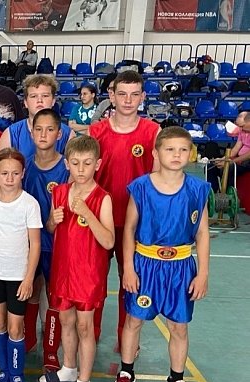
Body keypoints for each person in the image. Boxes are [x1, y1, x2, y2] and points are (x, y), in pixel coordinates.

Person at [108, 126, 210, 382]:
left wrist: (203, 273)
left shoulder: (197, 189)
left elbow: (202, 233)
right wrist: (129, 267)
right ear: (156, 153)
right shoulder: (141, 187)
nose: (177, 155)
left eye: (183, 150)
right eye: (170, 149)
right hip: (145, 264)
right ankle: (126, 372)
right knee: (134, 321)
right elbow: (128, 230)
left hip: (181, 267)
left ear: (190, 154)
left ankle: (176, 380)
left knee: (179, 326)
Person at [37, 135, 115, 382]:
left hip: (88, 273)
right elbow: (50, 227)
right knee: (65, 321)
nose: (81, 169)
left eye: (87, 163)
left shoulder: (103, 198)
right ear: (67, 164)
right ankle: (68, 369)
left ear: (98, 164)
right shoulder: (59, 192)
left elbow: (108, 241)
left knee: (84, 327)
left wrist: (87, 214)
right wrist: (52, 221)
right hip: (63, 269)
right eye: (76, 163)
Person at [88, 70, 160, 349]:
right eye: (122, 94)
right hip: (100, 220)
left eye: (134, 95)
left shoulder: (152, 132)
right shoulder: (96, 132)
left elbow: (158, 181)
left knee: (130, 282)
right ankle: (90, 334)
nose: (128, 100)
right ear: (111, 96)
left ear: (143, 97)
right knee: (94, 281)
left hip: (136, 223)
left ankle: (126, 339)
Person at [0, 148, 41, 382]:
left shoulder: (29, 204)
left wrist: (29, 278)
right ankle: (4, 371)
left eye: (15, 173)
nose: (9, 178)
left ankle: (17, 373)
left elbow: (35, 244)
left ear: (23, 174)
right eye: (4, 173)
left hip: (18, 276)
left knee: (15, 327)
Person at [22, 109, 70, 372]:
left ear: (59, 134)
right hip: (29, 243)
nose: (43, 135)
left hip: (57, 244)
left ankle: (51, 350)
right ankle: (28, 339)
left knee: (54, 295)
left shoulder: (67, 168)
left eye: (50, 129)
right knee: (31, 288)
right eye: (38, 129)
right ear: (31, 133)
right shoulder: (24, 167)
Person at [0, 74, 74, 159]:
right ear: (25, 103)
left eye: (45, 96)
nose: (39, 100)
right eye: (33, 96)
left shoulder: (68, 134)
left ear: (53, 101)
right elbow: (0, 166)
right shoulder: (10, 134)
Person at [206, 111, 250, 192]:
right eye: (239, 126)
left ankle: (227, 194)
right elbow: (236, 149)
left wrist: (231, 162)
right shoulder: (242, 131)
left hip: (247, 161)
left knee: (230, 168)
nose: (240, 129)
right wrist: (223, 159)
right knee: (210, 167)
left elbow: (248, 155)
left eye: (242, 126)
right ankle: (213, 192)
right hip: (239, 159)